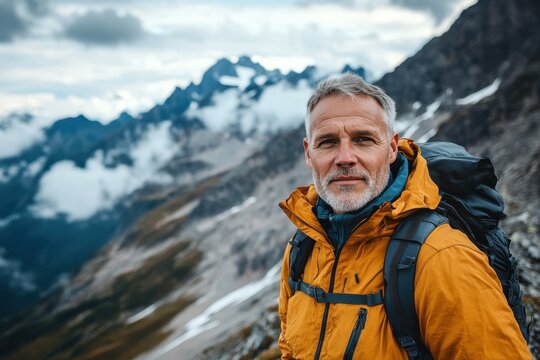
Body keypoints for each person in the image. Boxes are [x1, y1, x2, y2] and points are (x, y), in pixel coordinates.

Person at [277, 73, 532, 359]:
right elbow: (291, 348)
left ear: (391, 148)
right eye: (327, 142)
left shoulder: (440, 257)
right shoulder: (303, 247)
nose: (345, 157)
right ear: (308, 153)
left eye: (363, 139)